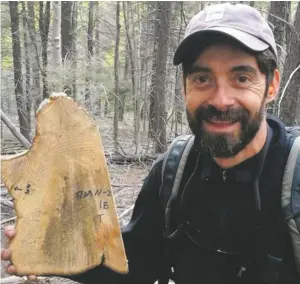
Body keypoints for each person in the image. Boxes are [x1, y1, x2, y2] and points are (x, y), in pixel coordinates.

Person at [2, 3, 300, 284]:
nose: (221, 100)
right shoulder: (173, 174)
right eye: (202, 79)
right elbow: (136, 267)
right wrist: (60, 251)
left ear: (271, 85)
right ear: (185, 87)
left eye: (242, 78)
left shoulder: (294, 174)